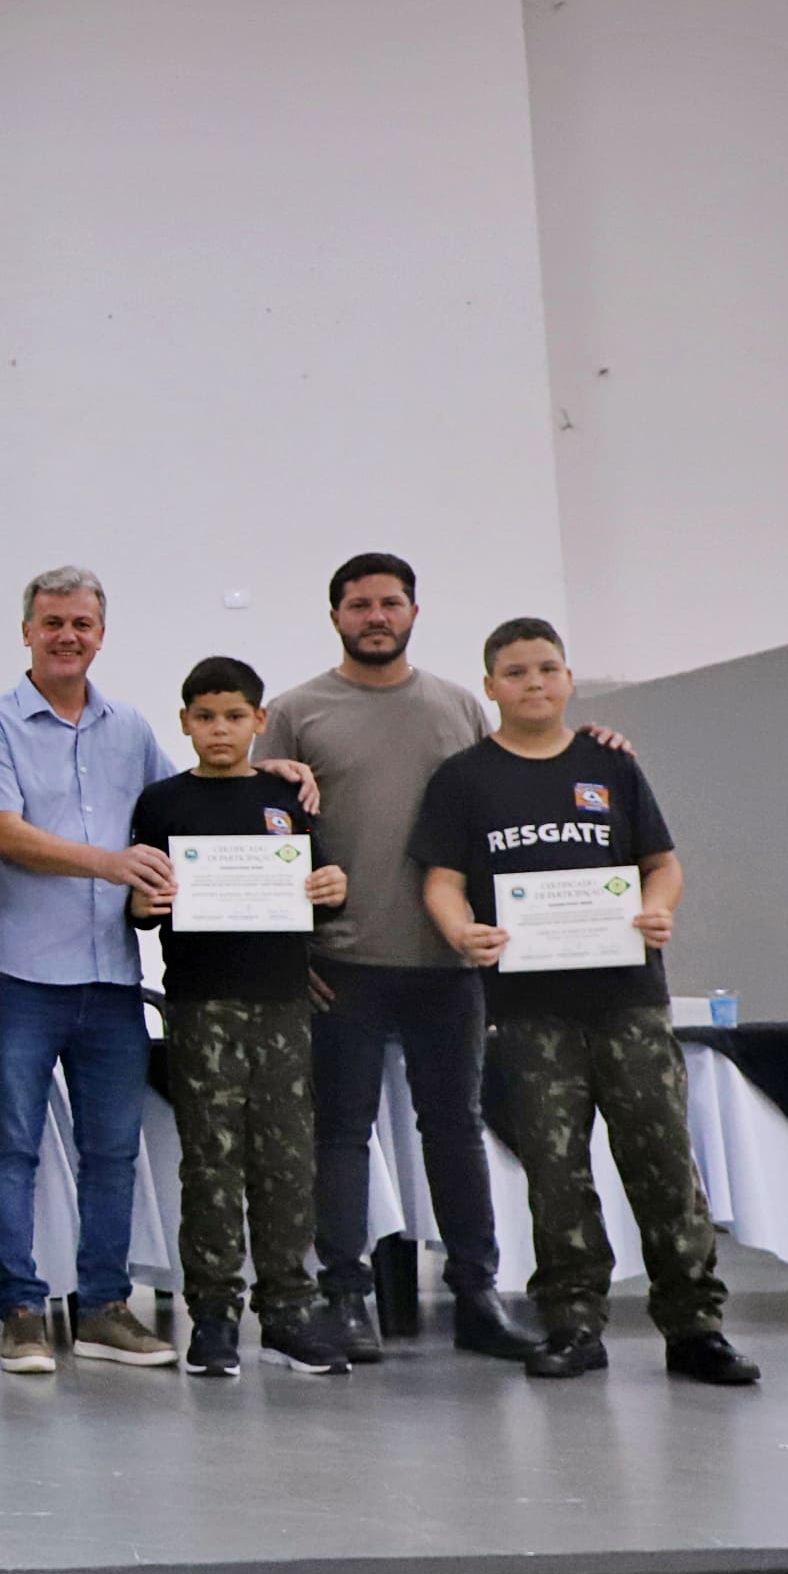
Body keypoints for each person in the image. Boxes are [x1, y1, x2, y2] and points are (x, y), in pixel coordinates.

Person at [0, 567, 318, 1373]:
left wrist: (274, 773)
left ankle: (102, 1309)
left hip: (113, 975)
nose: (67, 636)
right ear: (27, 632)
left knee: (112, 1152)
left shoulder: (131, 729)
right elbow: (4, 835)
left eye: (81, 623)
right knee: (13, 1149)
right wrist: (112, 864)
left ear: (101, 634)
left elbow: (194, 802)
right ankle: (21, 1311)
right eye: (53, 622)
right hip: (19, 974)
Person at [411, 619, 757, 1386]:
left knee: (663, 1164)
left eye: (547, 668)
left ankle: (695, 1327)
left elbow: (661, 864)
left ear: (568, 678)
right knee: (555, 1171)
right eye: (515, 672)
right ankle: (572, 1323)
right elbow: (442, 880)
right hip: (529, 1009)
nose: (533, 682)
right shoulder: (465, 779)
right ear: (491, 686)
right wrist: (461, 931)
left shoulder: (611, 765)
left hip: (628, 1000)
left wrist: (658, 909)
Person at [252, 554, 548, 1363]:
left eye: (390, 603)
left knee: (455, 1130)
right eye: (359, 605)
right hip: (339, 964)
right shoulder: (297, 712)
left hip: (448, 965)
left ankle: (477, 1296)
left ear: (414, 611)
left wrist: (595, 741)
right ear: (335, 617)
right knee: (340, 1135)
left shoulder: (459, 706)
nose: (375, 616)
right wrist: (289, 952)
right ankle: (346, 1300)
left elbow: (512, 786)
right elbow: (261, 839)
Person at [127, 660, 353, 1378]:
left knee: (287, 1160)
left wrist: (333, 886)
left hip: (283, 1001)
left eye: (233, 716)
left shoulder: (287, 797)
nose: (219, 730)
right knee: (211, 1163)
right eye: (205, 717)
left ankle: (288, 1311)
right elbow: (139, 903)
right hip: (201, 1003)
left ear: (259, 720)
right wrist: (140, 904)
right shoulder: (163, 803)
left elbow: (322, 885)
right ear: (185, 722)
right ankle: (215, 1316)